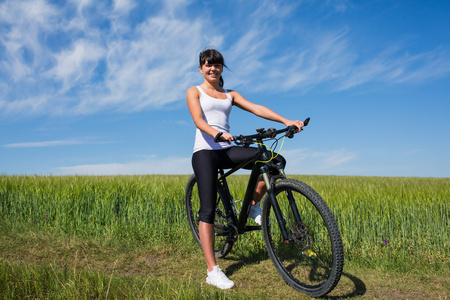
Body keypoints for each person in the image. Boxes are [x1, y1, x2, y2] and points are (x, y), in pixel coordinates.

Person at [187, 49, 304, 289]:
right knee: (207, 210)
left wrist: (286, 121)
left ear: (221, 68)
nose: (212, 69)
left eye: (217, 65)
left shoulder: (230, 94)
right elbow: (198, 119)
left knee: (274, 161)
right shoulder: (194, 91)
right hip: (205, 151)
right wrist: (216, 132)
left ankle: (252, 205)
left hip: (227, 148)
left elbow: (256, 108)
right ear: (201, 69)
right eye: (207, 65)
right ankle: (212, 270)